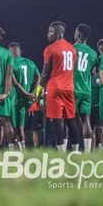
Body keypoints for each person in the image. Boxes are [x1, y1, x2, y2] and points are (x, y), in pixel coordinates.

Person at [38, 21, 82, 153]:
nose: (48, 34)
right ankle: (75, 151)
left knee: (56, 121)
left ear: (59, 33)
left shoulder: (50, 49)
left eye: (51, 31)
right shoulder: (72, 48)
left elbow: (45, 73)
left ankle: (62, 153)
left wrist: (39, 89)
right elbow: (71, 70)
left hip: (55, 88)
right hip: (69, 88)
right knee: (71, 120)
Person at [9, 42, 40, 150]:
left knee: (16, 127)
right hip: (29, 100)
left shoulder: (10, 63)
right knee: (28, 128)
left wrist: (27, 94)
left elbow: (16, 83)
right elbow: (38, 78)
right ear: (20, 51)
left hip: (17, 99)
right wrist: (33, 92)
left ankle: (17, 150)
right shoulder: (30, 62)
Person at [73, 24, 98, 153]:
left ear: (78, 34)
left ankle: (73, 150)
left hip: (72, 89)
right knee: (86, 120)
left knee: (69, 120)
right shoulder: (93, 52)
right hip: (86, 90)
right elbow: (93, 72)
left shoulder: (71, 49)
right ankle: (87, 152)